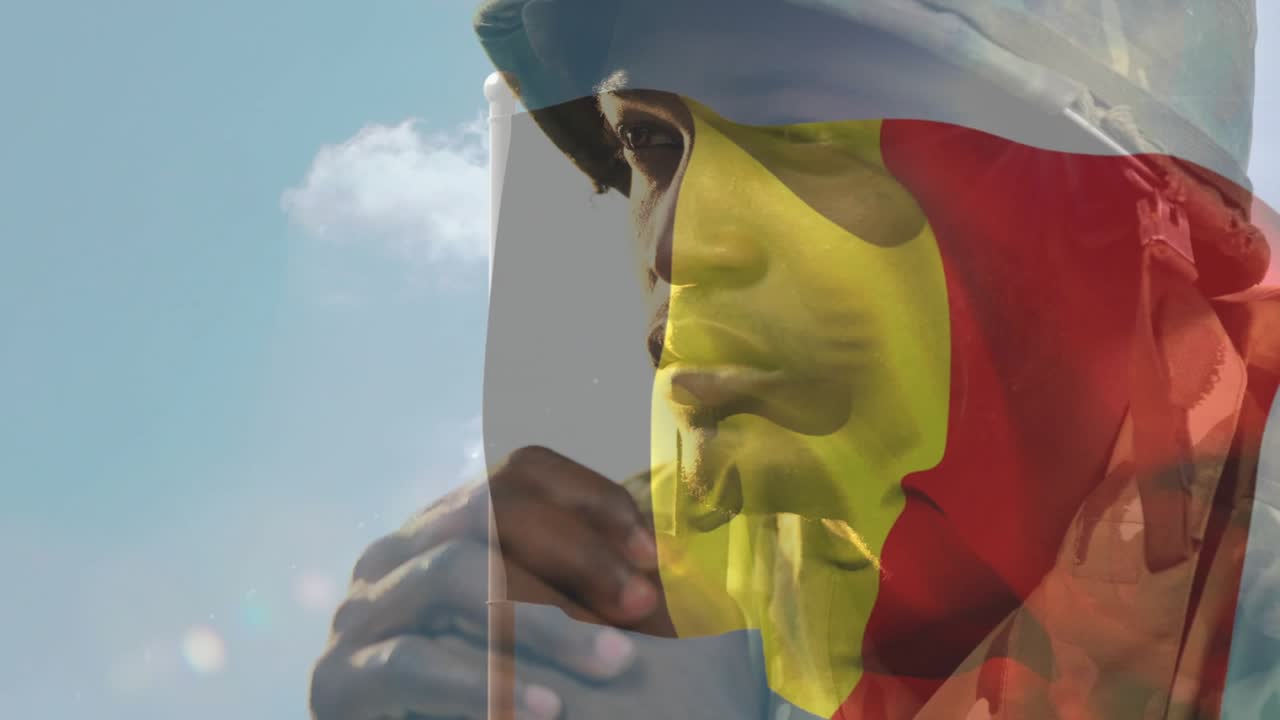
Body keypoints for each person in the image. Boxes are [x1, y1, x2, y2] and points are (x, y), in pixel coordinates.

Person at [310, 1, 1280, 718]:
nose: (676, 247)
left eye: (795, 132)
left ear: (1123, 211)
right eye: (650, 148)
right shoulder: (662, 600)